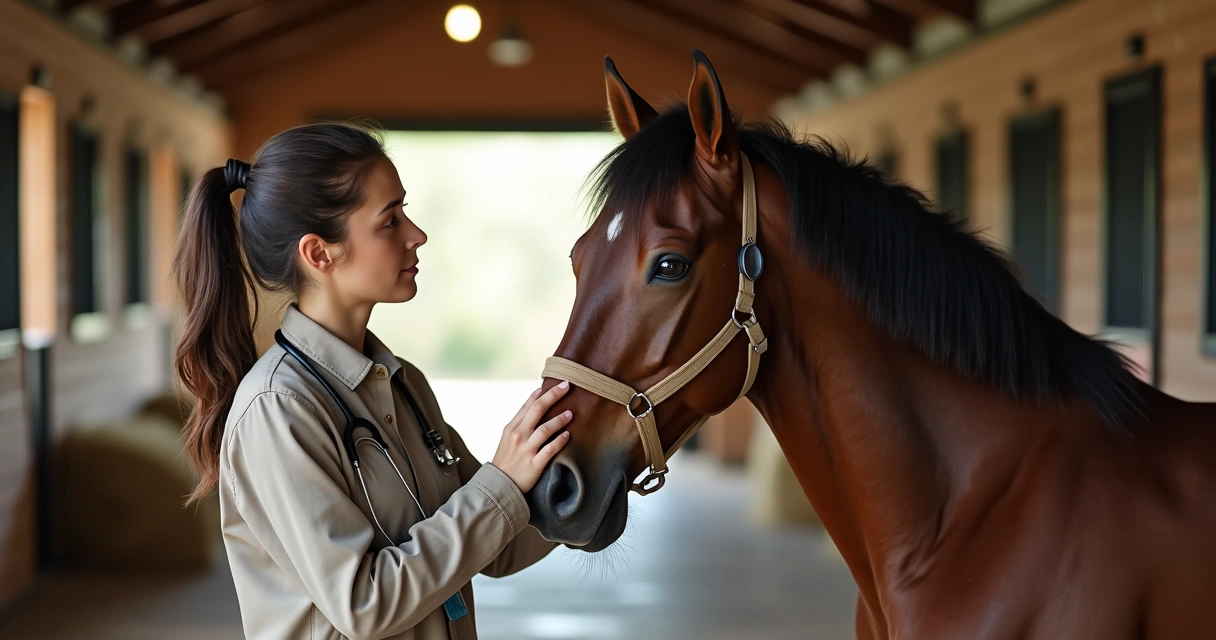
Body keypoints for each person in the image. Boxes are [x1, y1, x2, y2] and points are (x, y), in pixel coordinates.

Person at [172, 121, 570, 640]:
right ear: (319, 253)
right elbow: (365, 605)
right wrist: (500, 484)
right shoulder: (278, 409)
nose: (417, 235)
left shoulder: (405, 385)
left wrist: (600, 457)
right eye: (390, 221)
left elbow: (501, 541)